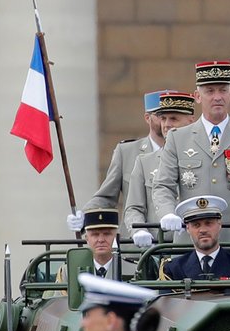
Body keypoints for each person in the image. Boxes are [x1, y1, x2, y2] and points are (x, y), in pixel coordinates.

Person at [152, 60, 230, 242]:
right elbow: (163, 185)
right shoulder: (178, 138)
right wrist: (167, 213)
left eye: (222, 90)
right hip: (192, 239)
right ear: (197, 96)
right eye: (210, 91)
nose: (217, 97)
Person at [68, 90, 168, 231]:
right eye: (160, 115)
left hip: (179, 243)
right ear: (147, 118)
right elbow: (107, 197)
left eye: (172, 116)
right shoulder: (127, 152)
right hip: (135, 243)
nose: (166, 121)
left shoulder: (187, 150)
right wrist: (84, 216)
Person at [123, 90, 196, 247]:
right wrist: (139, 230)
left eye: (174, 119)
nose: (166, 124)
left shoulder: (204, 158)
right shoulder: (144, 162)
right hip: (159, 247)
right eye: (163, 118)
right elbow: (134, 208)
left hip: (197, 245)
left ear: (191, 121)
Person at [160, 195, 230, 281]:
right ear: (188, 228)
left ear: (219, 225)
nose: (203, 230)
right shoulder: (174, 267)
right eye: (196, 225)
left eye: (208, 223)